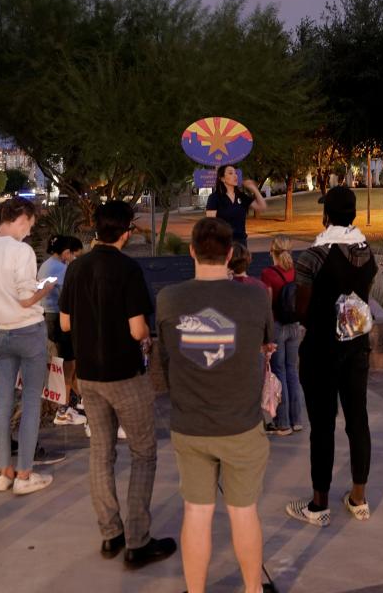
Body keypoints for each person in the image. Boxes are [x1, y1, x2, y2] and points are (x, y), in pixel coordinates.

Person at [157, 217, 274, 593]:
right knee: (243, 512)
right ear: (229, 255)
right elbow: (265, 343)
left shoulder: (169, 299)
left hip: (190, 424)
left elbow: (165, 358)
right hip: (241, 424)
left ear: (191, 251)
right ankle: (253, 589)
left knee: (196, 512)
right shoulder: (256, 296)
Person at [58, 201, 176, 567]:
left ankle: (110, 534)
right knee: (143, 453)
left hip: (89, 376)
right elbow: (137, 328)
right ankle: (138, 541)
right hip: (125, 375)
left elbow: (64, 324)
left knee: (101, 454)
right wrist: (146, 342)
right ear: (126, 231)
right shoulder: (127, 268)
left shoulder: (76, 267)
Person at [286, 186, 377, 527]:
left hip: (322, 350)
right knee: (358, 421)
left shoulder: (314, 256)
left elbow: (302, 309)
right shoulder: (367, 252)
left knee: (322, 426)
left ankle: (319, 504)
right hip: (357, 347)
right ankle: (358, 498)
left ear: (327, 216)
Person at [0, 197, 62, 496]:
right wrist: (45, 286)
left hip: (1, 333)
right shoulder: (19, 250)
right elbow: (26, 297)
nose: (29, 233)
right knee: (32, 401)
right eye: (30, 226)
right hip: (28, 331)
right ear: (21, 218)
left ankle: (3, 472)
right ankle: (24, 473)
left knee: (3, 404)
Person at [38, 235, 86, 428]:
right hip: (58, 319)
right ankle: (63, 410)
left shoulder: (47, 264)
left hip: (48, 317)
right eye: (72, 253)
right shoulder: (61, 268)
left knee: (63, 364)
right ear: (66, 252)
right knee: (68, 365)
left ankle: (76, 402)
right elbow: (72, 294)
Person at [261, 235, 304, 435]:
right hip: (295, 325)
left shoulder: (268, 274)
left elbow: (267, 305)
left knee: (279, 373)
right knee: (293, 371)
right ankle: (297, 419)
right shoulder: (295, 272)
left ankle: (283, 421)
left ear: (273, 252)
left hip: (277, 326)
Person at [205, 165, 266, 247]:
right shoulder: (214, 198)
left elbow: (262, 207)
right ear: (222, 179)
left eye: (235, 173)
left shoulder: (241, 196)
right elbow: (210, 223)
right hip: (223, 243)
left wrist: (255, 189)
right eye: (230, 173)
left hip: (241, 243)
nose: (235, 175)